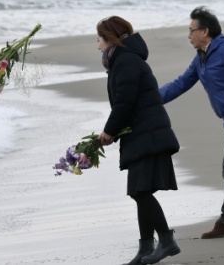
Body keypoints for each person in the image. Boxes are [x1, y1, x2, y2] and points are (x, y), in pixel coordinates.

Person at [159, 6, 224, 239]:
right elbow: (181, 83)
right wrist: (150, 100)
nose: (188, 35)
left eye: (191, 30)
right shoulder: (201, 58)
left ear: (205, 31)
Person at [96, 16, 181, 264]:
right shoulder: (124, 60)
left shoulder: (126, 61)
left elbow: (125, 101)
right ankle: (146, 248)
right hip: (143, 134)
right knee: (139, 191)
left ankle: (166, 240)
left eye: (99, 39)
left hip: (148, 134)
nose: (97, 45)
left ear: (110, 38)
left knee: (140, 191)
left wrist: (109, 131)